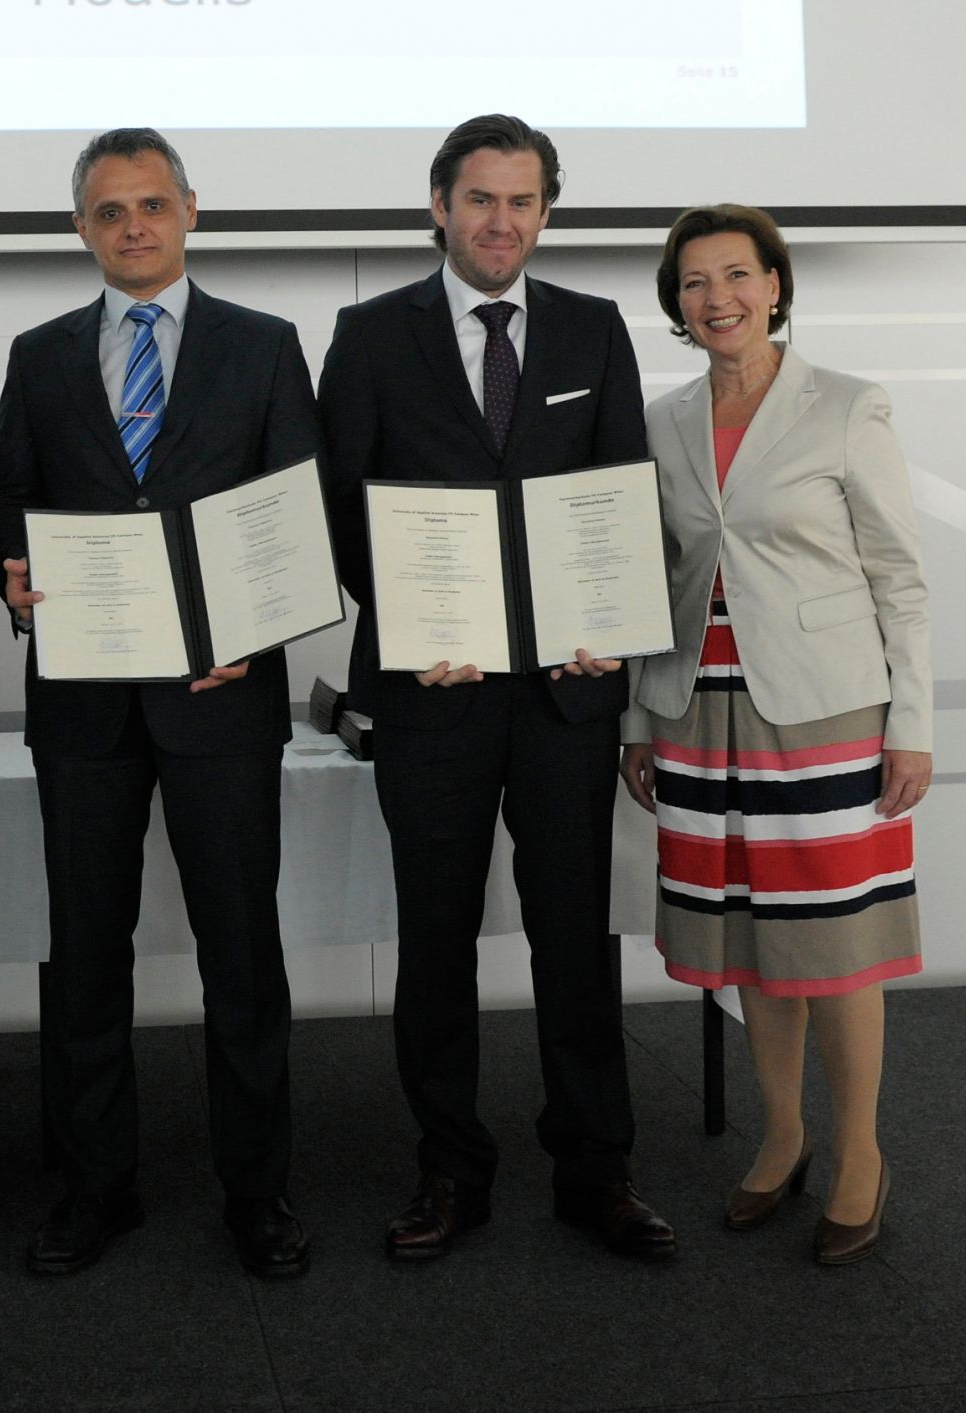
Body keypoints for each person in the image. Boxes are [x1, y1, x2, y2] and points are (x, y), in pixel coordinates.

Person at [318, 114, 675, 1260]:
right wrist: (413, 623)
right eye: (480, 199)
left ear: (544, 214)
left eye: (522, 202)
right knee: (435, 944)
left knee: (573, 940)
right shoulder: (368, 335)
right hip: (430, 696)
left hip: (564, 698)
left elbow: (617, 495)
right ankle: (448, 1172)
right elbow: (339, 507)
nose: (499, 222)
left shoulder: (589, 329)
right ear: (437, 205)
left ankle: (594, 1171)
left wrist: (608, 627)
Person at [0, 128, 318, 1278]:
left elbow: (293, 514)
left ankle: (257, 1196)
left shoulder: (264, 347)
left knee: (241, 954)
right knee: (85, 956)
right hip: (81, 702)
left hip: (220, 699)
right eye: (108, 210)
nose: (132, 225)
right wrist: (12, 577)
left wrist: (256, 625)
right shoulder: (36, 355)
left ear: (189, 211)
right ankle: (94, 1188)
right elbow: (7, 507)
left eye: (151, 204)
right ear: (80, 228)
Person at [620, 204, 929, 1264]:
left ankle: (856, 1151)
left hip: (825, 712)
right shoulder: (659, 421)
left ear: (775, 285)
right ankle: (783, 1132)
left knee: (833, 944)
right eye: (694, 282)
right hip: (694, 711)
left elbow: (896, 574)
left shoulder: (845, 407)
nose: (717, 299)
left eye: (736, 275)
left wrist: (914, 727)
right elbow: (647, 581)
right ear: (674, 304)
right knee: (751, 933)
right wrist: (634, 718)